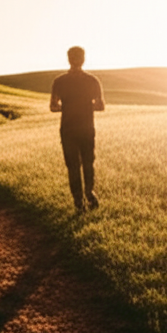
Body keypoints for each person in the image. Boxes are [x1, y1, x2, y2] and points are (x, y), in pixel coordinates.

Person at [50, 46, 105, 212]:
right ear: (84, 59)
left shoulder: (59, 82)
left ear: (68, 59)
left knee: (73, 166)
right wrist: (86, 107)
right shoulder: (92, 81)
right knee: (88, 163)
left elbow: (53, 106)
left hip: (68, 130)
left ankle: (78, 201)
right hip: (87, 128)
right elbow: (101, 106)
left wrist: (66, 108)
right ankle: (89, 193)